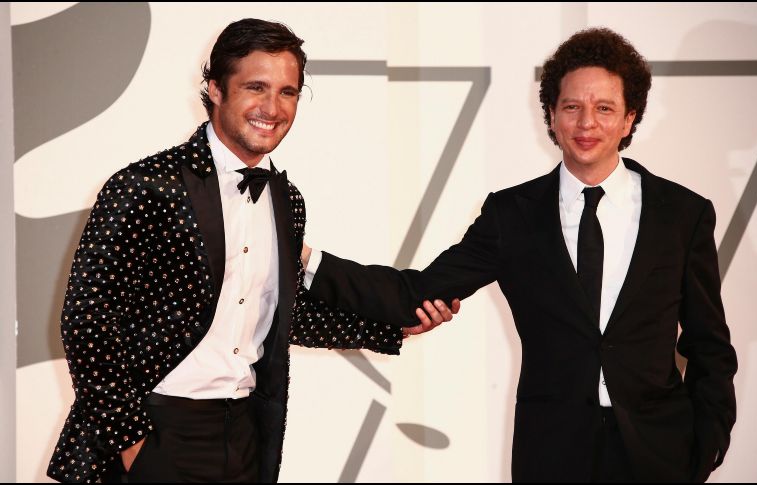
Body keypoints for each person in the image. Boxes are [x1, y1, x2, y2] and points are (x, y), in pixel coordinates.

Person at [303, 27, 737, 482]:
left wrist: (706, 446)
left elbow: (710, 345)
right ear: (551, 115)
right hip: (550, 455)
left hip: (659, 455)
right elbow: (416, 291)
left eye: (604, 108)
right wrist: (307, 258)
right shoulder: (512, 215)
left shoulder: (682, 214)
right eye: (572, 107)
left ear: (630, 118)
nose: (587, 123)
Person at [47, 18, 458, 483]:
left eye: (288, 92)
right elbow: (87, 320)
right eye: (256, 87)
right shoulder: (145, 186)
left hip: (244, 434)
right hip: (157, 431)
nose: (272, 107)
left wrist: (388, 328)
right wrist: (132, 443)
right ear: (216, 89)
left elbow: (283, 314)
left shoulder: (286, 200)